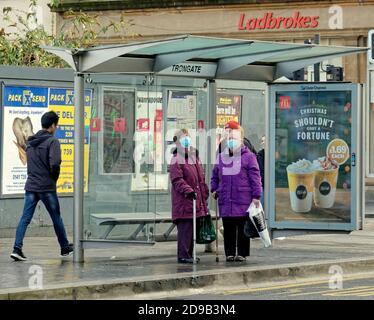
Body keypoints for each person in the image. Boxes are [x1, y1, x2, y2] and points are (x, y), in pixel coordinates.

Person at [10, 111, 73, 261]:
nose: (56, 128)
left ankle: (16, 249)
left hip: (31, 186)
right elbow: (55, 164)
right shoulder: (52, 142)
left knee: (25, 218)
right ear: (52, 126)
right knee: (56, 217)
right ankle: (64, 248)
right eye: (56, 125)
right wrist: (53, 179)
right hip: (46, 187)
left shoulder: (30, 142)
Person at [211, 120, 262, 262]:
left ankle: (242, 253)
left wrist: (256, 196)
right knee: (228, 228)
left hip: (243, 198)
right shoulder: (222, 157)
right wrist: (214, 189)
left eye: (234, 138)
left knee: (242, 228)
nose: (231, 141)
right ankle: (229, 253)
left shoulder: (249, 157)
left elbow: (255, 178)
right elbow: (215, 175)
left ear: (241, 140)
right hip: (226, 198)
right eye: (229, 139)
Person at [169, 129, 209, 264]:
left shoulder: (193, 158)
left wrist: (204, 192)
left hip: (195, 201)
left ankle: (189, 254)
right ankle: (183, 255)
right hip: (185, 201)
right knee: (185, 229)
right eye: (183, 138)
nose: (186, 141)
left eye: (188, 138)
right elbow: (177, 180)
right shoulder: (176, 160)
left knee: (192, 229)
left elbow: (200, 178)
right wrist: (188, 190)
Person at [257, 135, 265, 206]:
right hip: (262, 185)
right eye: (262, 141)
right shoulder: (259, 155)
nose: (263, 143)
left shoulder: (275, 154)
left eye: (264, 141)